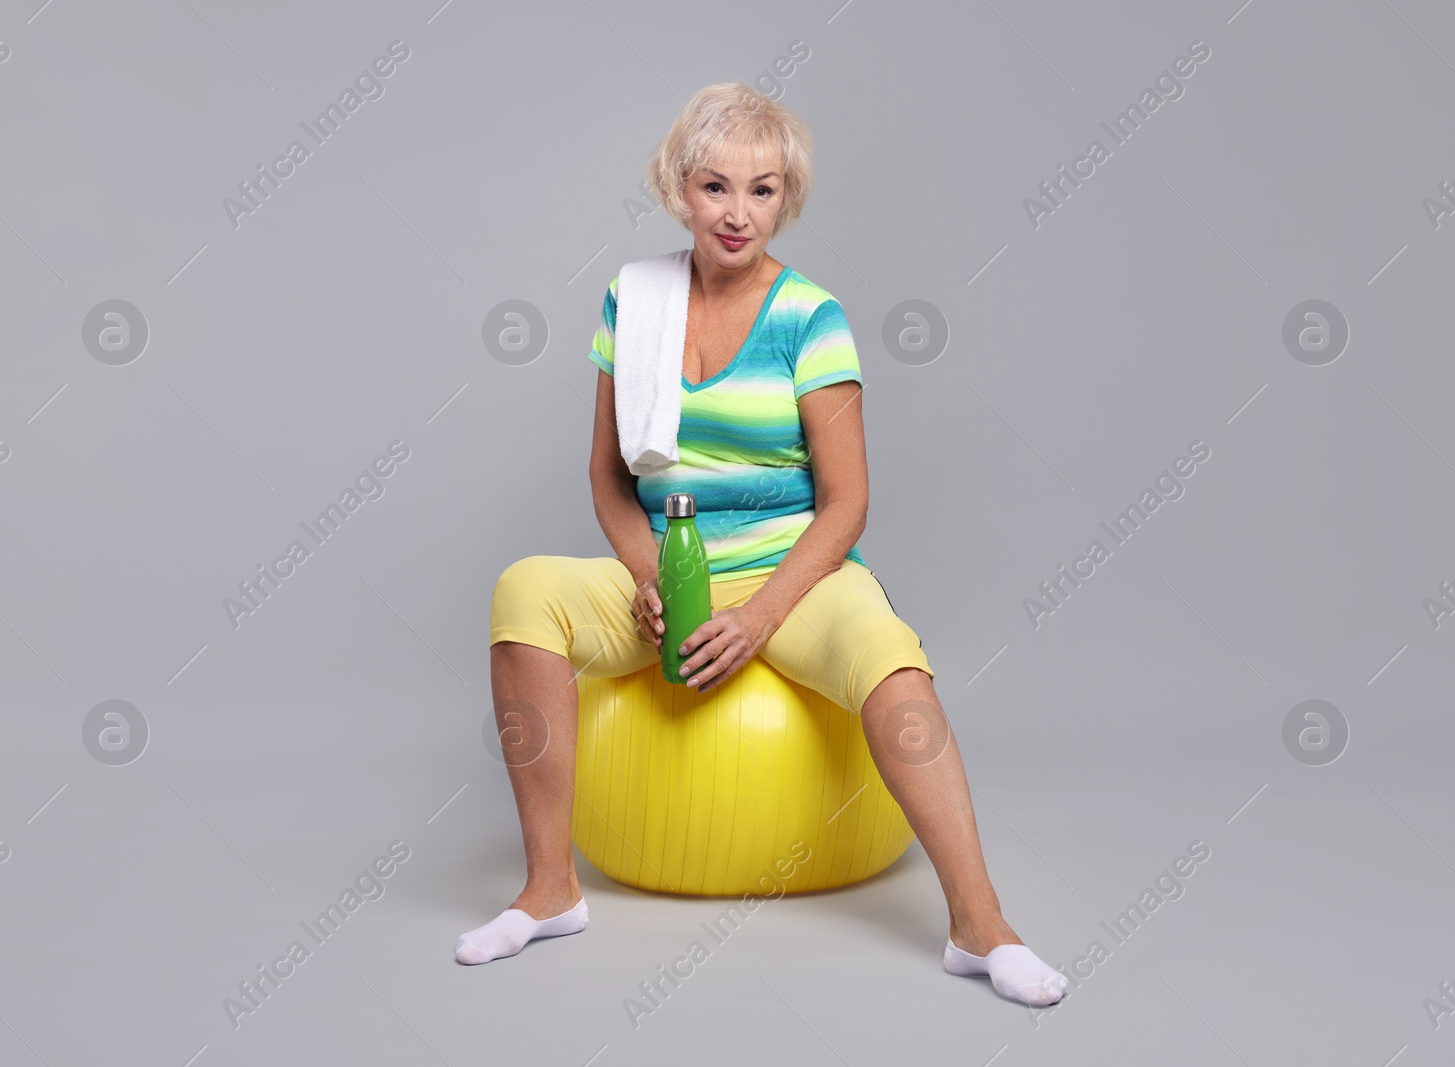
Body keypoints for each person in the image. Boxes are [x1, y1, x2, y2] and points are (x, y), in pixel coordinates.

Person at [457, 82, 1067, 1008]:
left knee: (890, 660)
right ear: (677, 189)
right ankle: (551, 891)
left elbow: (848, 503)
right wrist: (647, 571)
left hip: (794, 572)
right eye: (715, 187)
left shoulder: (809, 318)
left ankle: (981, 927)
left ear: (787, 198)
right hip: (672, 568)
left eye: (763, 190)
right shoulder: (636, 300)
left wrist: (759, 615)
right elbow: (608, 480)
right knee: (522, 592)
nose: (738, 213)